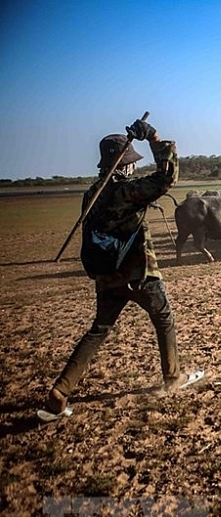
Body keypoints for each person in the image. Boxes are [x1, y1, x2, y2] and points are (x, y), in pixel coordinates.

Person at [38, 119, 203, 422]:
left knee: (99, 330)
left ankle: (60, 392)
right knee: (163, 317)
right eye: (131, 164)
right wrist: (154, 138)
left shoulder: (91, 194)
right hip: (138, 272)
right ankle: (173, 377)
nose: (133, 169)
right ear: (124, 166)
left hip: (106, 275)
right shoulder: (125, 191)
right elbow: (167, 177)